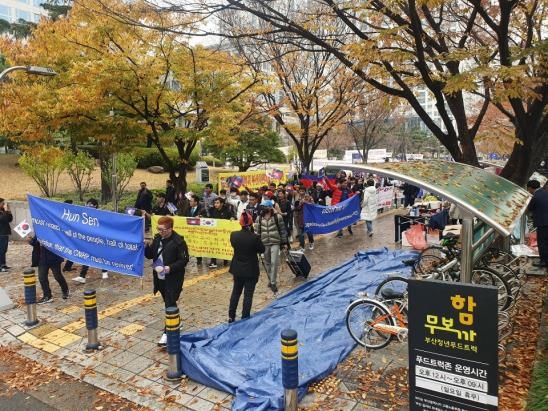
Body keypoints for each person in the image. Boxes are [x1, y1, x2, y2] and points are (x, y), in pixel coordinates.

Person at [145, 216, 189, 346]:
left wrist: (169, 268)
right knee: (168, 302)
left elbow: (184, 260)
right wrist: (147, 246)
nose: (160, 232)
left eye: (163, 230)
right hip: (159, 278)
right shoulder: (157, 238)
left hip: (173, 278)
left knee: (169, 303)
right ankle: (177, 322)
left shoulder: (178, 242)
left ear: (170, 229)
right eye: (158, 229)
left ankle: (167, 333)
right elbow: (150, 255)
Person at [228, 211, 265, 323]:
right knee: (248, 295)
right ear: (251, 223)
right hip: (251, 270)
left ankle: (231, 316)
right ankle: (245, 317)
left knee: (235, 293)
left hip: (237, 269)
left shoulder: (233, 235)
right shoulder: (255, 237)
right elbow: (262, 249)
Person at [254, 199, 288, 293]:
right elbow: (257, 233)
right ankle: (270, 279)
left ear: (269, 207)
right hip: (264, 243)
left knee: (274, 262)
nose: (263, 208)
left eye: (265, 207)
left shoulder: (278, 217)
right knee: (267, 263)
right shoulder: (259, 218)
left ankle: (273, 282)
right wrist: (257, 245)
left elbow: (282, 230)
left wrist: (284, 243)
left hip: (275, 242)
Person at [73, 199, 109, 283]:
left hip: (99, 239)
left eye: (90, 204)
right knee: (87, 256)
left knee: (102, 255)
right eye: (87, 204)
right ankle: (82, 276)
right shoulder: (85, 215)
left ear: (95, 205)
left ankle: (104, 271)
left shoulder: (100, 215)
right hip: (89, 240)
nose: (88, 205)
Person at [29, 236, 69, 303]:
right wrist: (31, 241)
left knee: (57, 276)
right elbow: (35, 243)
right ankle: (47, 296)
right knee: (42, 277)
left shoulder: (53, 229)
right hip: (42, 258)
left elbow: (60, 241)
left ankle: (65, 290)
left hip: (54, 258)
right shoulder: (39, 230)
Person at [207, 197, 235, 268]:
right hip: (214, 232)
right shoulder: (212, 210)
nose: (215, 204)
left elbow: (233, 216)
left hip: (224, 233)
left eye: (217, 203)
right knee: (213, 246)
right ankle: (213, 262)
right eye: (215, 203)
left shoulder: (227, 210)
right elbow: (207, 218)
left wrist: (232, 218)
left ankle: (225, 260)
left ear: (222, 203)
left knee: (224, 245)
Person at [527, 180, 548, 268]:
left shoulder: (535, 196)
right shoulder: (546, 192)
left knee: (542, 242)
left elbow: (530, 208)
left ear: (530, 188)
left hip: (543, 222)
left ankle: (544, 261)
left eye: (528, 189)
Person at [186, 194, 206, 265]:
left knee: (198, 244)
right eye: (190, 201)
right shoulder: (188, 208)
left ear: (196, 202)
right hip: (189, 229)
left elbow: (205, 217)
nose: (190, 203)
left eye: (191, 201)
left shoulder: (201, 209)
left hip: (198, 230)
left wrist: (201, 216)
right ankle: (186, 257)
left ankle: (199, 259)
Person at [0, 198, 13, 272]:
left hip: (5, 233)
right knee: (1, 250)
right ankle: (1, 266)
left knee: (4, 250)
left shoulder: (3, 211)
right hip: (1, 234)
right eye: (2, 203)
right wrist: (5, 211)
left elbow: (10, 219)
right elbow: (2, 219)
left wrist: (9, 211)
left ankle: (3, 264)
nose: (3, 204)